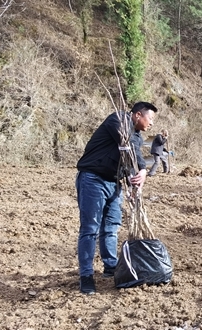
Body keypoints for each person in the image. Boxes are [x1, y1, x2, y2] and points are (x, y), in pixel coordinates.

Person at [75, 101, 157, 294]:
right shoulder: (118, 120)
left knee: (111, 227)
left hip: (114, 182)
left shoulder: (136, 135)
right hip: (93, 179)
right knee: (90, 228)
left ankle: (110, 266)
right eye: (150, 119)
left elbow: (133, 155)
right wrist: (140, 167)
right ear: (137, 115)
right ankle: (86, 276)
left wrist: (139, 174)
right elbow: (126, 143)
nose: (151, 124)